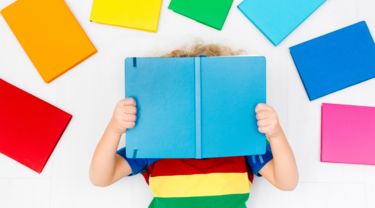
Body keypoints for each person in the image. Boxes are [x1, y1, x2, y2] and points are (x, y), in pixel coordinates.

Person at [90, 41, 298, 208]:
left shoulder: (243, 143)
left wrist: (276, 134)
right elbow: (101, 178)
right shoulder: (153, 143)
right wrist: (114, 129)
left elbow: (287, 183)